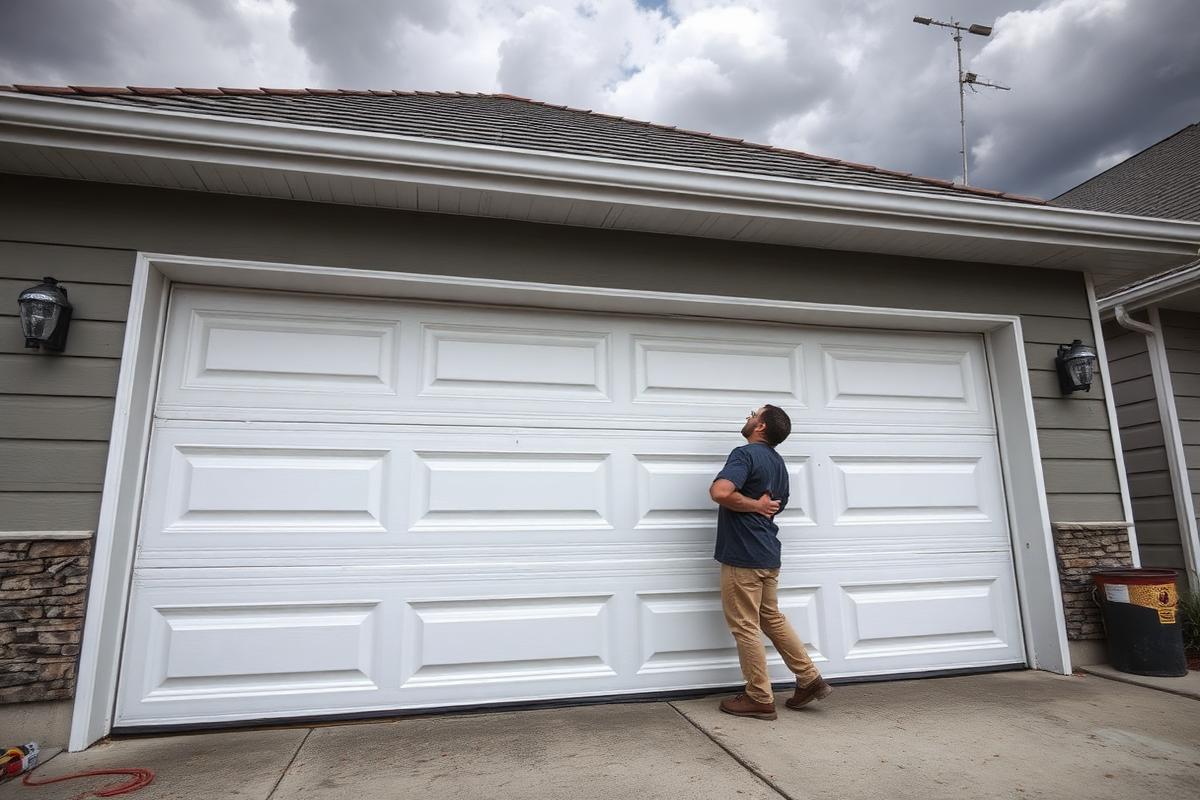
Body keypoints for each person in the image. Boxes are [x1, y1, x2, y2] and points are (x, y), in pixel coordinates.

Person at [709, 404, 831, 720]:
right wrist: (759, 505)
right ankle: (809, 678)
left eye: (754, 414)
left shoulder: (744, 455)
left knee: (745, 625)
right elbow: (775, 507)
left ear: (761, 426)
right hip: (767, 554)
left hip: (743, 556)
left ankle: (759, 697)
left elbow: (720, 491)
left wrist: (752, 504)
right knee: (770, 617)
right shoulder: (778, 464)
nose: (748, 417)